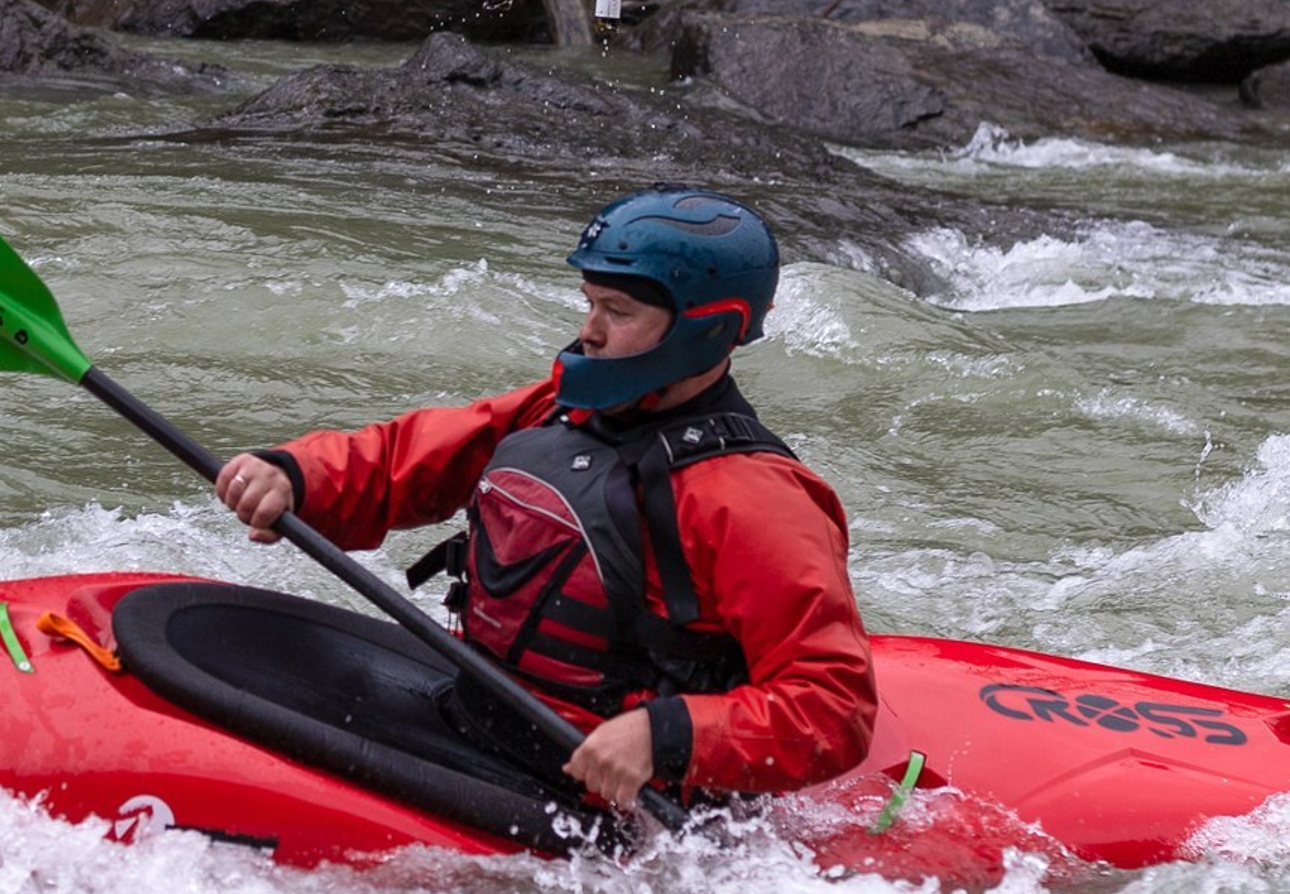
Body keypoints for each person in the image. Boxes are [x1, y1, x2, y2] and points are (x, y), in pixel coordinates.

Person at [213, 189, 875, 817]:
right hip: (479, 718)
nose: (589, 331)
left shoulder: (756, 500)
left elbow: (832, 707)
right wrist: (300, 477)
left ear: (707, 330)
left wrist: (665, 737)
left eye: (618, 313)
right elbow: (411, 459)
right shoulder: (563, 411)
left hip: (600, 799)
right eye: (588, 303)